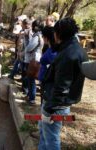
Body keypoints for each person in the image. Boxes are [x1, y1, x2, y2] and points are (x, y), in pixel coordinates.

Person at [38, 18, 88, 150]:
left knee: (51, 138)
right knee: (44, 133)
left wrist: (48, 110)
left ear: (58, 34)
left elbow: (62, 88)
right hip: (58, 101)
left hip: (55, 105)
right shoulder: (76, 48)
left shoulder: (68, 55)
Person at [24, 19, 44, 105]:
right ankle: (30, 95)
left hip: (33, 60)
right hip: (36, 59)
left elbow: (29, 48)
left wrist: (26, 45)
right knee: (30, 79)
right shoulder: (40, 35)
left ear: (36, 27)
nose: (31, 27)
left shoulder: (37, 36)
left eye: (33, 25)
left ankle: (32, 98)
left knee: (31, 79)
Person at [38, 26, 57, 104]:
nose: (42, 38)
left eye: (43, 36)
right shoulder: (49, 48)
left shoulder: (52, 52)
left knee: (45, 105)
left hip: (48, 83)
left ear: (46, 37)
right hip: (45, 81)